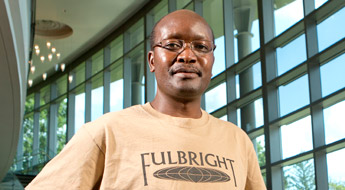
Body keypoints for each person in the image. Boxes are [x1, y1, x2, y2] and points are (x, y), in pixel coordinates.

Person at [26, 10, 266, 189]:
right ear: (152, 61)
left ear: (212, 62)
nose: (187, 56)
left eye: (201, 47)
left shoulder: (238, 141)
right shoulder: (106, 133)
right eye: (173, 44)